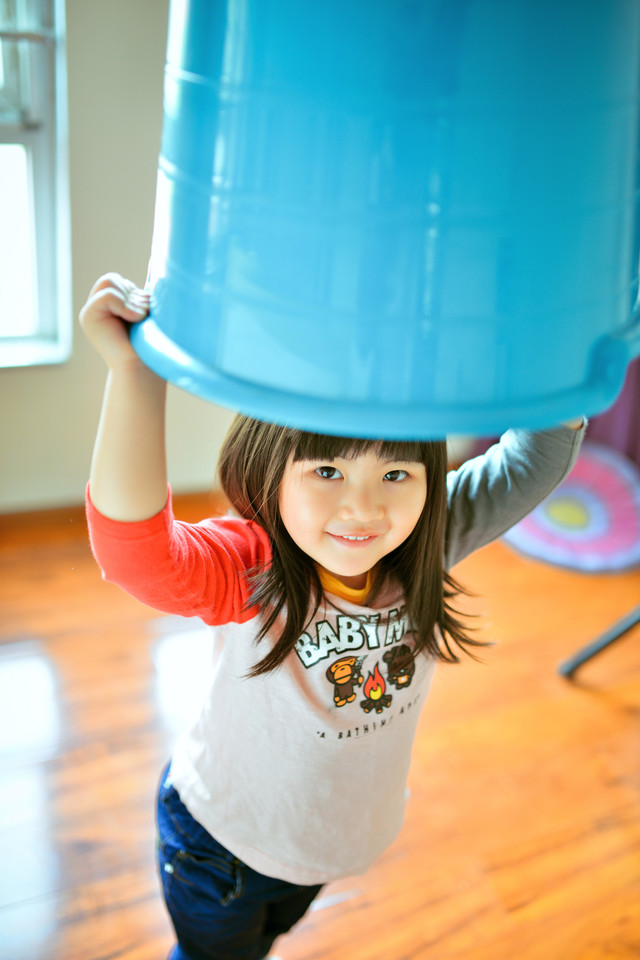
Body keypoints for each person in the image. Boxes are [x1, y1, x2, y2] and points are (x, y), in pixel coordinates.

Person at [81, 273, 586, 960]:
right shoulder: (251, 566)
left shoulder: (427, 539)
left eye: (397, 474)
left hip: (328, 846)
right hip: (222, 849)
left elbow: (538, 455)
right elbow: (137, 554)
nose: (365, 510)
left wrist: (552, 341)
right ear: (271, 471)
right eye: (326, 472)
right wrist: (134, 374)